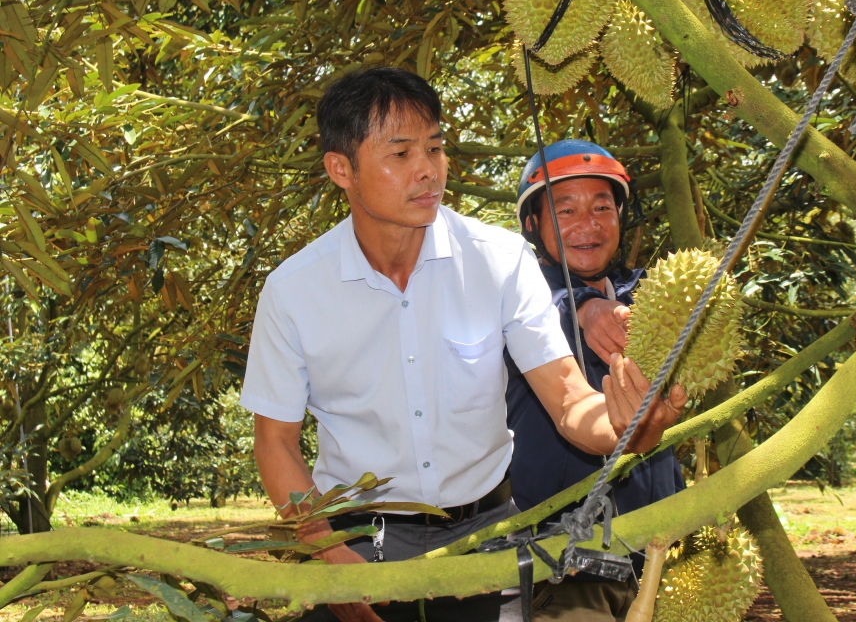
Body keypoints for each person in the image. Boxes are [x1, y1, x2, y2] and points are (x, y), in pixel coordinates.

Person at [239, 69, 687, 622]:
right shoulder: (295, 290)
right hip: (357, 542)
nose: (428, 169)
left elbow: (571, 402)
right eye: (400, 153)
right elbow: (276, 444)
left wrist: (626, 427)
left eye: (434, 147)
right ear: (341, 169)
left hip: (486, 539)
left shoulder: (498, 260)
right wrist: (327, 553)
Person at [506, 140, 688, 621]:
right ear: (532, 225)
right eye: (565, 210)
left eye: (602, 207)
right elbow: (552, 306)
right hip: (564, 568)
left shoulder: (650, 294)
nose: (587, 224)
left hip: (656, 555)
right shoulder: (514, 303)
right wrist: (585, 307)